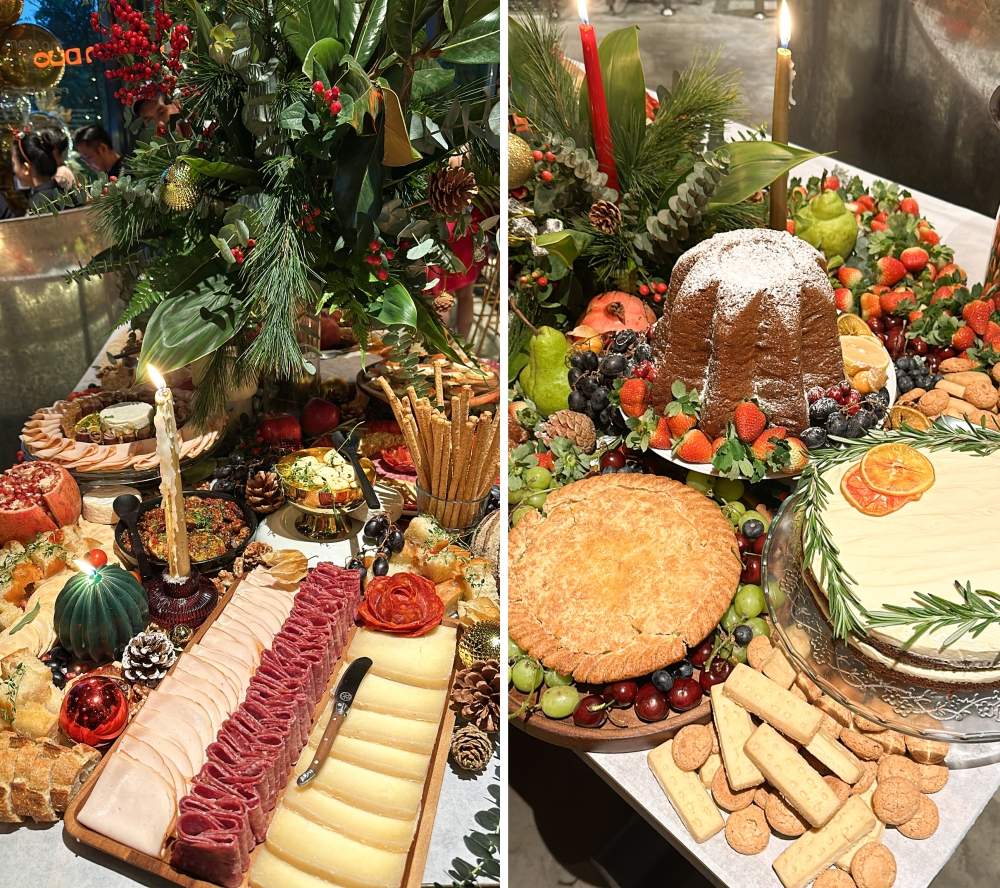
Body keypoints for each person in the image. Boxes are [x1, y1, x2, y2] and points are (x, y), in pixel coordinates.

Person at [13, 132, 68, 210]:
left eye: (14, 164)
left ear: (26, 168)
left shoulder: (39, 204)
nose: (14, 170)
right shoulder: (64, 193)